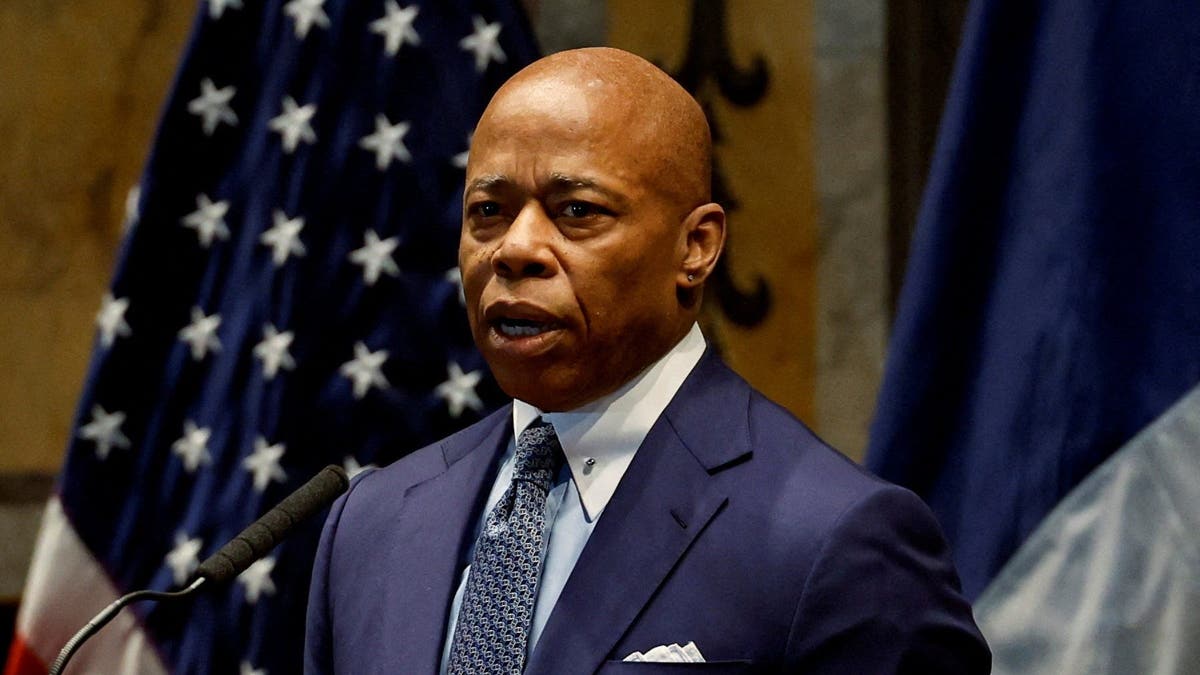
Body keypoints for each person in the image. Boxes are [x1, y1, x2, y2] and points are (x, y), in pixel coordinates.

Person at [305, 47, 989, 674]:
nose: (514, 249)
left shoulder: (835, 538)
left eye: (576, 210)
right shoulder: (372, 524)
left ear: (696, 247)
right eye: (488, 210)